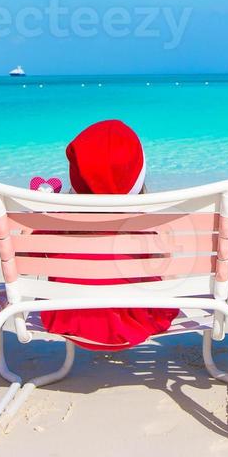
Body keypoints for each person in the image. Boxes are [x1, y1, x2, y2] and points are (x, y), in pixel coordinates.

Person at [37, 120, 180, 351]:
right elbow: (160, 267)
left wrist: (34, 223)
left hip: (66, 317)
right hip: (136, 320)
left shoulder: (55, 222)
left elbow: (24, 261)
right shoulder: (143, 226)